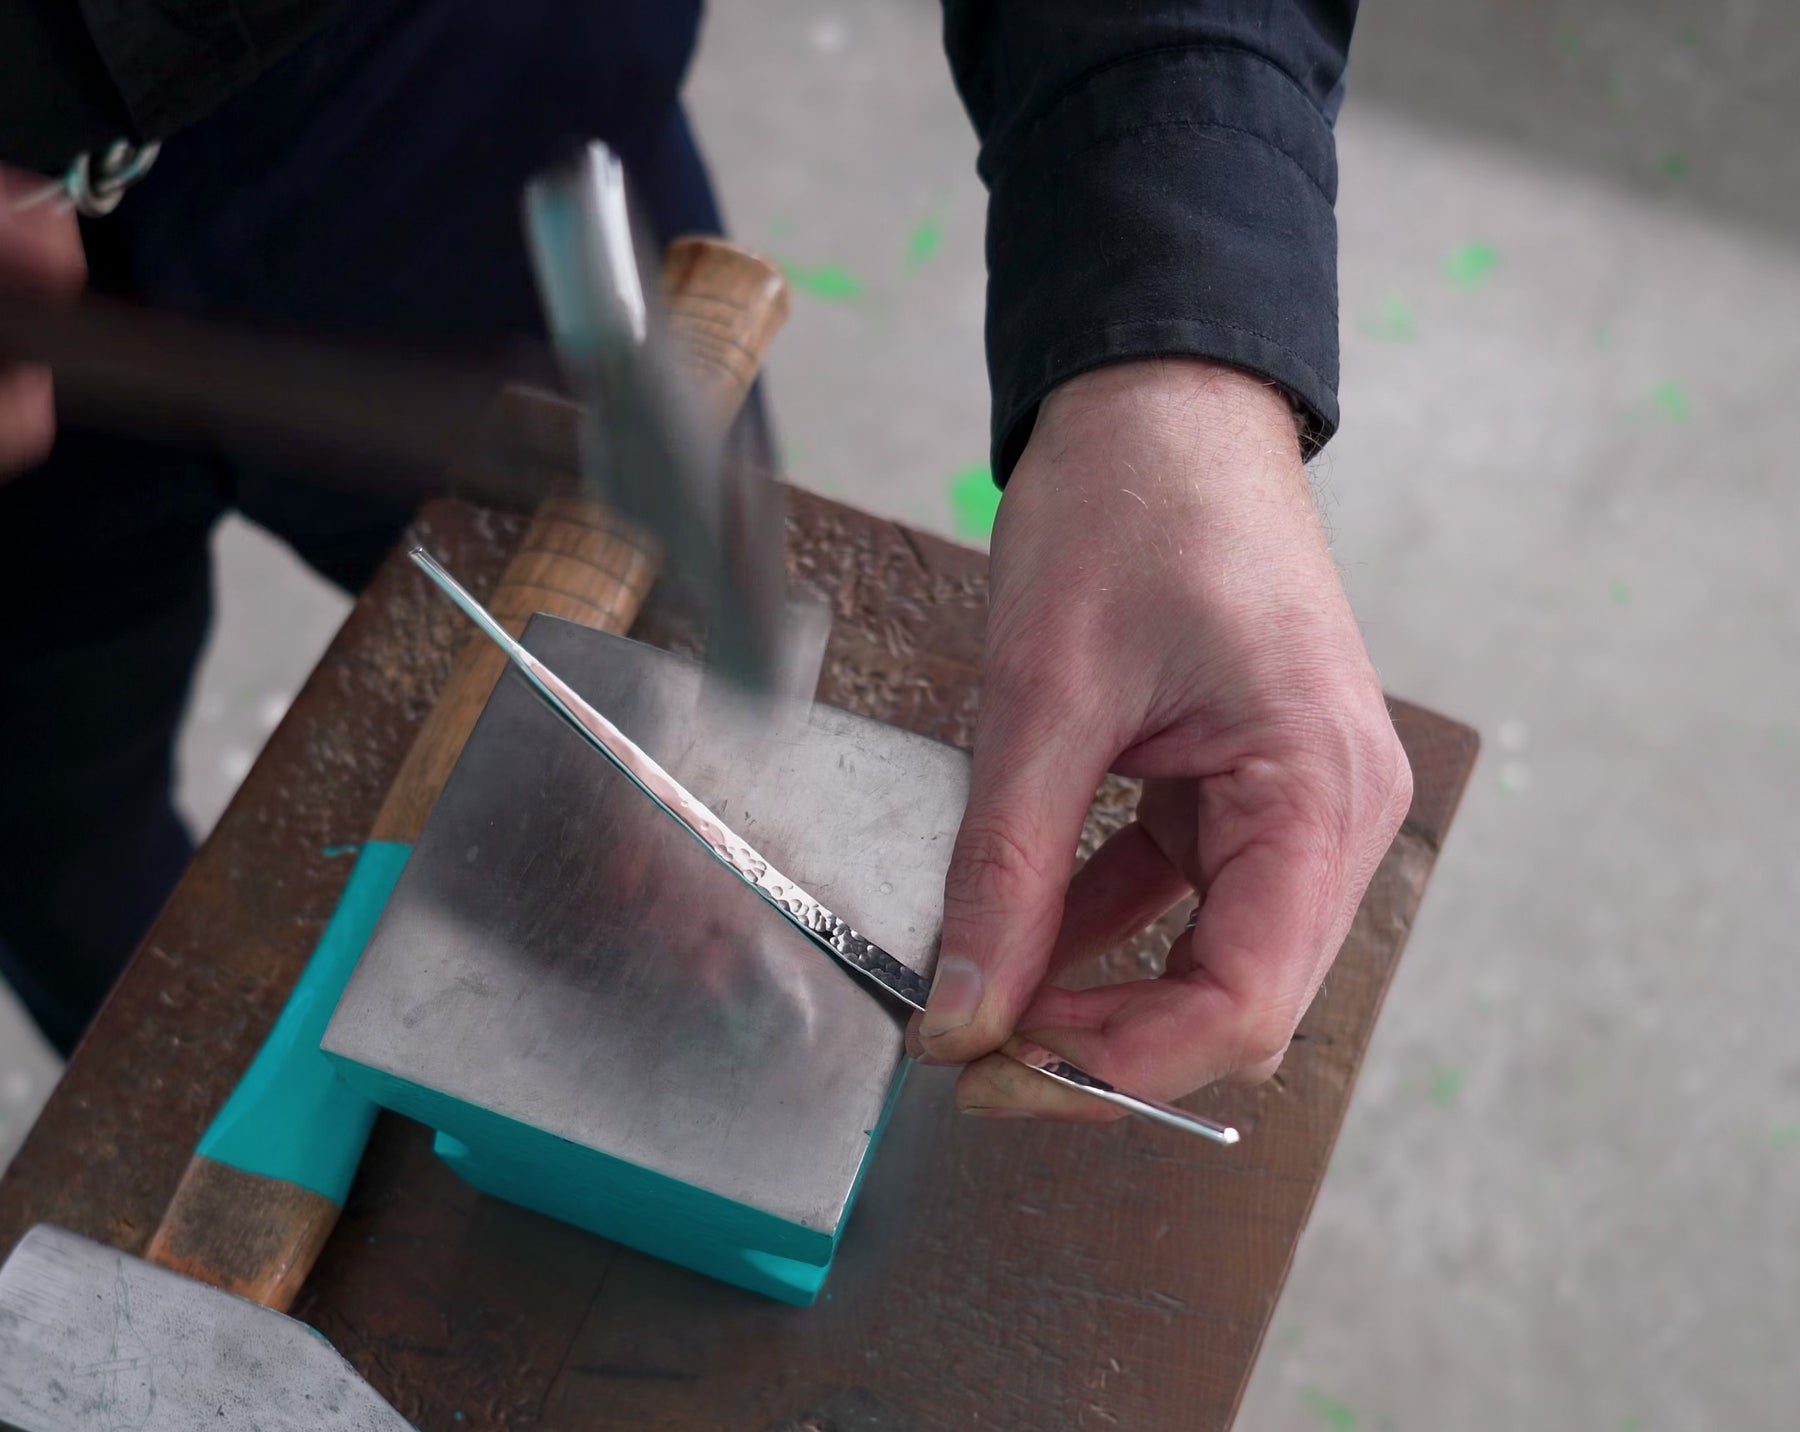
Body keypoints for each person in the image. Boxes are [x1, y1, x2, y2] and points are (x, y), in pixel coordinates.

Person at [0, 0, 1409, 1125]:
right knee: (55, 848)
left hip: (438, 82)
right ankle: (211, 1124)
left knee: (677, 713)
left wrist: (1179, 353)